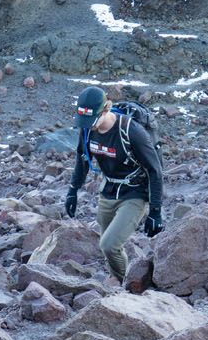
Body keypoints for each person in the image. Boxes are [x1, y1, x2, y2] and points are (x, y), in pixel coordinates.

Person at [64, 85, 164, 282]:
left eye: (91, 121)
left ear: (106, 109)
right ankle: (118, 281)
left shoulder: (131, 131)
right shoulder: (87, 129)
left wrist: (155, 211)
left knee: (109, 245)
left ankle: (122, 286)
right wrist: (72, 190)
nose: (88, 126)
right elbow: (82, 159)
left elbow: (155, 170)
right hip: (108, 191)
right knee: (107, 247)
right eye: (84, 121)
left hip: (135, 192)